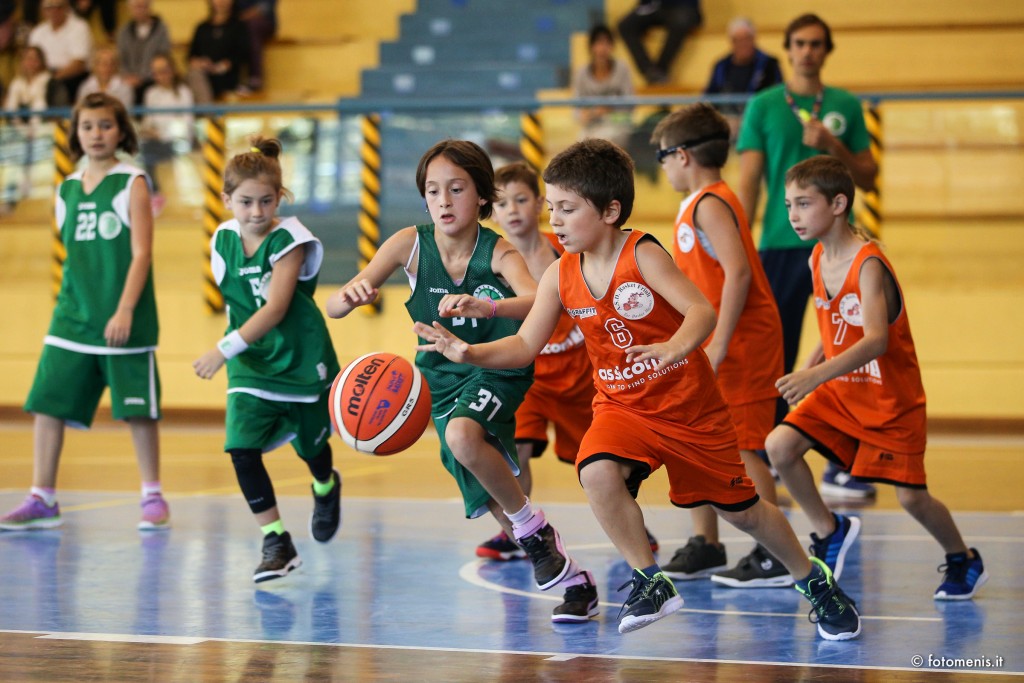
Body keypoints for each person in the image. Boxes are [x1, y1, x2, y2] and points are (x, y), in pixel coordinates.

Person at [415, 138, 862, 640]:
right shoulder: (562, 272)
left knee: (747, 514)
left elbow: (702, 310)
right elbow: (523, 346)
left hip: (690, 411)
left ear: (610, 210)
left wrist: (676, 347)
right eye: (553, 208)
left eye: (566, 209)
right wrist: (468, 352)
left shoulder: (642, 253)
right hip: (623, 408)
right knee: (598, 471)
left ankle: (813, 580)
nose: (554, 220)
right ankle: (650, 579)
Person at [326, 140, 598, 624]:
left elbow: (538, 299)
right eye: (433, 191)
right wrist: (351, 296)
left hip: (497, 366)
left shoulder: (498, 252)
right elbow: (334, 305)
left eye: (456, 189)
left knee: (461, 435)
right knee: (484, 488)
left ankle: (533, 531)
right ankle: (568, 575)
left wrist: (486, 306)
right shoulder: (408, 245)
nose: (444, 201)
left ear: (481, 198)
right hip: (439, 378)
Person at [770, 156, 987, 601]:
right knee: (780, 446)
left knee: (912, 499)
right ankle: (830, 530)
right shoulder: (817, 257)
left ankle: (963, 556)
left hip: (891, 399)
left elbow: (874, 342)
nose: (793, 215)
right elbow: (835, 330)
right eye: (789, 204)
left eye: (804, 203)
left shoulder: (867, 263)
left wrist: (813, 376)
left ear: (838, 204)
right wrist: (809, 368)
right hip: (841, 390)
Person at [0, 92, 168, 532]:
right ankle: (42, 497)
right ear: (75, 133)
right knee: (47, 404)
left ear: (121, 131)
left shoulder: (131, 181)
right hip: (73, 315)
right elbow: (74, 255)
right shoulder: (66, 188)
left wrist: (125, 309)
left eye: (106, 125)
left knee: (138, 410)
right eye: (87, 126)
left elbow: (141, 254)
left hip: (123, 316)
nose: (96, 134)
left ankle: (152, 494)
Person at [735, 13, 879, 499]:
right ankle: (778, 445)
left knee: (847, 346)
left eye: (817, 43)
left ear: (826, 49)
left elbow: (869, 176)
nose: (807, 51)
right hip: (778, 245)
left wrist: (833, 143)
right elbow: (750, 181)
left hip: (836, 245)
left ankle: (846, 459)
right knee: (774, 348)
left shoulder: (845, 106)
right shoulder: (764, 104)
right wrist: (737, 243)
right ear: (789, 48)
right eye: (799, 43)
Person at [651, 103, 790, 588]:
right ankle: (706, 543)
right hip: (712, 341)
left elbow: (739, 273)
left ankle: (772, 552)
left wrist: (720, 344)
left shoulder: (712, 202)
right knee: (699, 438)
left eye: (664, 156)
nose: (662, 166)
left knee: (748, 447)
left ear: (684, 156)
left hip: (742, 343)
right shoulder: (697, 204)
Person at [193, 137, 342, 583]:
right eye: (244, 202)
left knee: (312, 449)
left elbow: (275, 308)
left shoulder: (290, 239)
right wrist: (234, 349)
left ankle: (325, 485)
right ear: (226, 200)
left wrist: (221, 350)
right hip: (251, 363)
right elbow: (236, 302)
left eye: (265, 201)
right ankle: (276, 539)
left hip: (299, 358)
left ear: (279, 198)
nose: (256, 211)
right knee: (241, 449)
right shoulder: (222, 240)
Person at [703, 17, 782, 140]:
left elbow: (778, 96)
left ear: (754, 39)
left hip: (759, 120)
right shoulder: (721, 66)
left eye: (747, 39)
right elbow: (710, 97)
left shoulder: (769, 64)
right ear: (731, 42)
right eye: (737, 40)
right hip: (728, 121)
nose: (743, 44)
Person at [139, 52, 194, 209]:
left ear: (172, 70)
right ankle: (147, 194)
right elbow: (148, 119)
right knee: (139, 148)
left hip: (178, 141)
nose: (159, 76)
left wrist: (162, 134)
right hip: (156, 140)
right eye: (155, 72)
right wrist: (147, 130)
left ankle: (154, 193)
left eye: (163, 71)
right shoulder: (151, 93)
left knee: (146, 152)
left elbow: (186, 124)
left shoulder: (183, 92)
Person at [572, 24, 635, 148]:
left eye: (607, 43)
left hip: (618, 125)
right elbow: (576, 110)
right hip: (591, 126)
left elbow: (630, 104)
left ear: (612, 46)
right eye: (599, 43)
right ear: (591, 47)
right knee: (580, 143)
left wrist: (609, 110)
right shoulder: (581, 74)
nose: (603, 48)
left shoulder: (622, 69)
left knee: (603, 140)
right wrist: (590, 114)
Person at [617, 0, 702, 85]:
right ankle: (649, 70)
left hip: (684, 7)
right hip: (656, 8)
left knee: (681, 22)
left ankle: (660, 70)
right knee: (626, 25)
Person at [28, 0, 92, 102]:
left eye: (58, 7)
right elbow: (30, 59)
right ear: (43, 11)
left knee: (54, 87)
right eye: (49, 7)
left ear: (67, 7)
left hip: (71, 78)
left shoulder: (79, 27)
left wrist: (52, 79)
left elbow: (79, 64)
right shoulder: (38, 32)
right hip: (44, 76)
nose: (54, 11)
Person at [186, 0, 249, 103]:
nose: (221, 2)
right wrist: (201, 63)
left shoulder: (239, 27)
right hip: (204, 76)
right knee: (193, 75)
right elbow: (191, 56)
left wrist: (222, 66)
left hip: (227, 78)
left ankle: (209, 114)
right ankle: (209, 113)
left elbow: (243, 55)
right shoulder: (202, 28)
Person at [116, 0, 173, 104]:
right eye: (137, 7)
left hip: (154, 78)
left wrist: (143, 77)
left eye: (143, 6)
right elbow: (121, 59)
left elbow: (164, 57)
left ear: (149, 7)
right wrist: (128, 76)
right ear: (130, 9)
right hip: (129, 80)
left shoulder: (161, 29)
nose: (140, 10)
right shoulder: (123, 32)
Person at [235, 0, 276, 92]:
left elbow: (266, 6)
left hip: (262, 22)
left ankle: (255, 78)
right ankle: (231, 79)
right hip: (239, 22)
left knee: (251, 27)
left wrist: (244, 16)